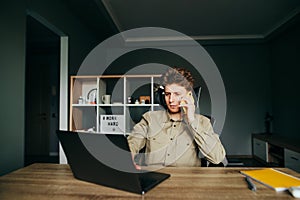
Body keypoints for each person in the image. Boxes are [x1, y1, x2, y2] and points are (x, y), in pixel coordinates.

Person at [127, 67, 226, 168]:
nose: (171, 100)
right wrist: (128, 159)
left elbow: (217, 157)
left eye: (177, 94)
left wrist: (191, 120)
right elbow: (133, 142)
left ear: (189, 95)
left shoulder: (203, 122)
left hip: (187, 181)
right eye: (167, 94)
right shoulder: (150, 118)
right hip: (153, 178)